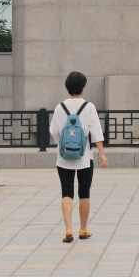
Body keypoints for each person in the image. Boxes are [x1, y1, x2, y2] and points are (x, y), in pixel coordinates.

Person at [49, 71, 108, 243]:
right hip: (85, 158)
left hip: (64, 158)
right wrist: (102, 155)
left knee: (66, 192)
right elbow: (96, 132)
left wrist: (61, 144)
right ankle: (83, 229)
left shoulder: (60, 107)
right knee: (84, 193)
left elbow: (53, 131)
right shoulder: (89, 107)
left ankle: (68, 229)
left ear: (67, 87)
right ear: (83, 88)